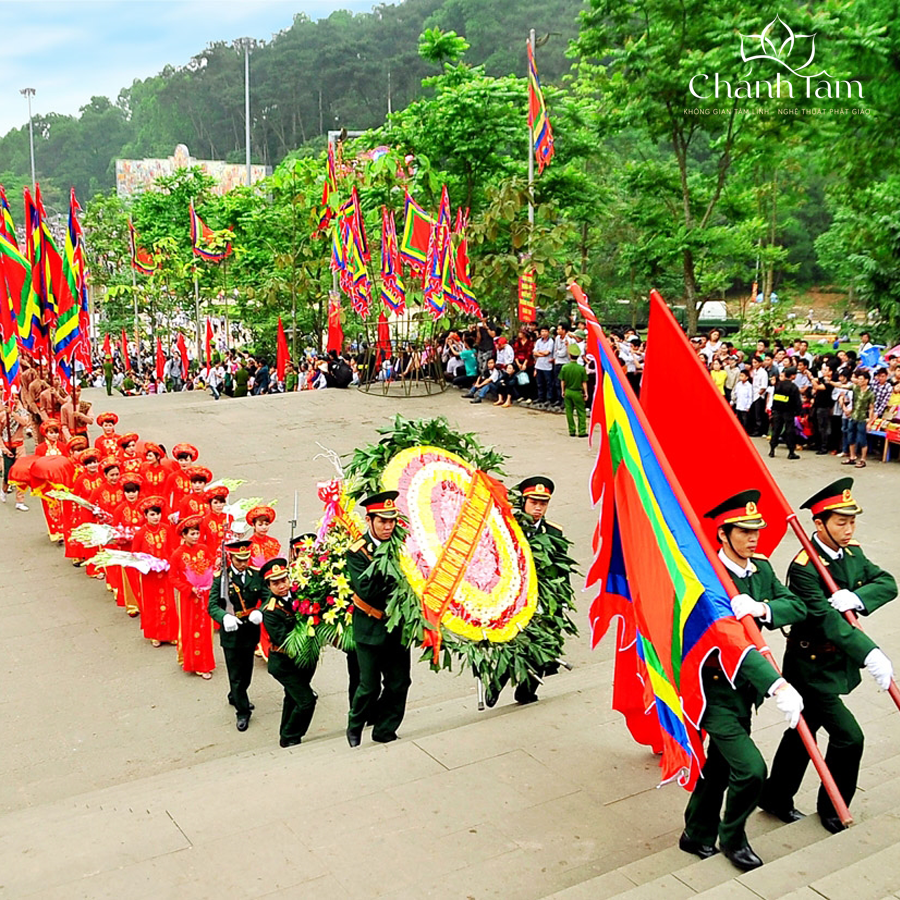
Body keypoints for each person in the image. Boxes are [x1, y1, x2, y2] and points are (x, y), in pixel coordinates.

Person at [760, 479, 896, 833]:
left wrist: (858, 597)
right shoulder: (805, 567)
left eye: (852, 522)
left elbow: (887, 582)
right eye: (840, 522)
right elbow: (826, 622)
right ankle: (833, 807)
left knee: (802, 731)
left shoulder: (852, 553)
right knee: (850, 737)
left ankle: (775, 796)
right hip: (810, 667)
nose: (849, 529)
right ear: (819, 524)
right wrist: (871, 654)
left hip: (837, 663)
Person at [681, 491, 806, 871]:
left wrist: (764, 608)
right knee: (751, 770)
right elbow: (733, 646)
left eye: (758, 530)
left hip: (745, 695)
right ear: (723, 534)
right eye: (745, 531)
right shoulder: (707, 579)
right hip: (716, 693)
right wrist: (777, 685)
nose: (754, 538)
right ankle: (732, 837)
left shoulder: (761, 570)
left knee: (720, 767)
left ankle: (695, 833)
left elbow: (796, 605)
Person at [346, 491, 411, 747]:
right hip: (370, 627)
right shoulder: (358, 551)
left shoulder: (402, 544)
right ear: (369, 520)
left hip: (397, 627)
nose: (388, 526)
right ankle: (355, 724)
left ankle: (385, 729)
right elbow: (368, 591)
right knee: (369, 686)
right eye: (382, 521)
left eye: (392, 521)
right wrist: (402, 583)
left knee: (399, 682)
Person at [208, 540, 266, 730]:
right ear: (231, 558)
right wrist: (224, 617)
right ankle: (242, 711)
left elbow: (267, 596)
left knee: (247, 672)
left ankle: (236, 695)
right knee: (236, 675)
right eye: (239, 560)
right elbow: (212, 605)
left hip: (249, 628)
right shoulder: (221, 579)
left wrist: (261, 611)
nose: (243, 563)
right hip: (231, 632)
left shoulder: (255, 575)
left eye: (246, 559)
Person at [261, 557, 319, 747]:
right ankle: (290, 736)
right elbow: (283, 639)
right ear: (269, 586)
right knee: (307, 701)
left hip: (305, 661)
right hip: (285, 663)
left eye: (284, 580)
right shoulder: (270, 611)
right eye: (275, 583)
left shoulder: (301, 595)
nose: (282, 586)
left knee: (293, 697)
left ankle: (285, 733)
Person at [170, 515, 216, 679]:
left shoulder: (203, 549)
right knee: (191, 628)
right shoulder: (177, 554)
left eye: (197, 533)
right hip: (189, 598)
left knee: (205, 628)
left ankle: (205, 662)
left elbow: (211, 564)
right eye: (192, 534)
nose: (195, 537)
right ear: (183, 535)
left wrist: (217, 565)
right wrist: (189, 589)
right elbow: (173, 578)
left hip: (205, 594)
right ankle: (195, 663)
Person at [768, 366, 802, 459]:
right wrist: (799, 412)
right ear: (793, 376)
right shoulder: (793, 387)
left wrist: (773, 410)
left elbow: (775, 398)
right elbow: (797, 401)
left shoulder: (778, 385)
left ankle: (772, 450)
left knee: (776, 430)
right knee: (789, 431)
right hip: (789, 412)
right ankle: (791, 452)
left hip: (778, 411)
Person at [844, 369, 874, 467]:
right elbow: (843, 386)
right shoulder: (855, 388)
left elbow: (871, 408)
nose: (859, 381)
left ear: (866, 380)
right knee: (850, 437)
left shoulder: (870, 394)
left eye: (861, 379)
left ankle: (863, 459)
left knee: (862, 439)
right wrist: (831, 382)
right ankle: (852, 457)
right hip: (853, 416)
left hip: (862, 418)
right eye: (859, 379)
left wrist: (869, 422)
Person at [559, 343, 589, 438]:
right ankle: (582, 430)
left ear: (569, 355)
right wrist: (586, 393)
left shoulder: (565, 367)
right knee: (581, 411)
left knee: (569, 411)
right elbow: (584, 382)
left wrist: (563, 390)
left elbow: (562, 381)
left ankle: (571, 430)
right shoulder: (581, 368)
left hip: (568, 391)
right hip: (577, 392)